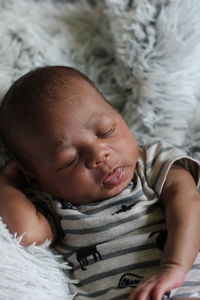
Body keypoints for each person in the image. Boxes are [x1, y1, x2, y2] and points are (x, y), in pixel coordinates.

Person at [0, 66, 200, 300]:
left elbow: (188, 201)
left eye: (106, 131)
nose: (99, 154)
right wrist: (6, 183)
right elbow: (26, 235)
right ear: (36, 179)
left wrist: (173, 266)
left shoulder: (151, 163)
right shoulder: (55, 204)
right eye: (69, 160)